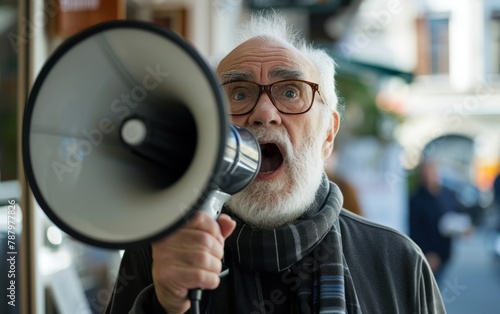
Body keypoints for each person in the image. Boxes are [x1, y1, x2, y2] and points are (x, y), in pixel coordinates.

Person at [105, 12, 445, 314]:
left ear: (328, 133)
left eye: (291, 92)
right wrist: (165, 304)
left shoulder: (397, 262)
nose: (264, 113)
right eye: (238, 94)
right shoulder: (160, 254)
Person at [409, 159, 470, 283]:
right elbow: (415, 229)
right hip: (428, 254)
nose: (430, 176)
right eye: (426, 172)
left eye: (432, 172)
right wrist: (426, 253)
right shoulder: (416, 199)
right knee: (427, 291)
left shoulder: (448, 193)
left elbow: (458, 214)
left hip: (445, 250)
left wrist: (465, 228)